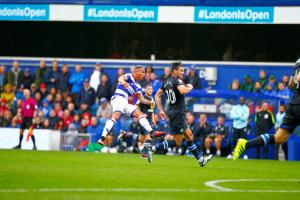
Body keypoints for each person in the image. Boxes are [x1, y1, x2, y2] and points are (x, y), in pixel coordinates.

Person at [233, 58, 300, 160]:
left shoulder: (297, 62)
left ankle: (245, 145)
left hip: (293, 103)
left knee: (279, 137)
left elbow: (291, 84)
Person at [151, 61, 212, 167]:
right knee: (177, 142)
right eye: (181, 70)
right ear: (175, 71)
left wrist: (160, 110)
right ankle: (153, 148)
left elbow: (157, 96)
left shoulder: (166, 82)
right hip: (177, 114)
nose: (183, 72)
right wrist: (190, 87)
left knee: (189, 135)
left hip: (175, 113)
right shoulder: (177, 81)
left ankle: (201, 160)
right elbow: (183, 91)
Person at [97, 65, 156, 159]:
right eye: (142, 72)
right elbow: (120, 78)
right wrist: (123, 82)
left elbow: (142, 99)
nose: (144, 74)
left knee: (140, 114)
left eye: (144, 73)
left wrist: (150, 102)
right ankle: (102, 138)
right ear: (136, 72)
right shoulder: (129, 76)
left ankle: (151, 131)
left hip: (125, 102)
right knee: (116, 116)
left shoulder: (138, 86)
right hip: (118, 98)